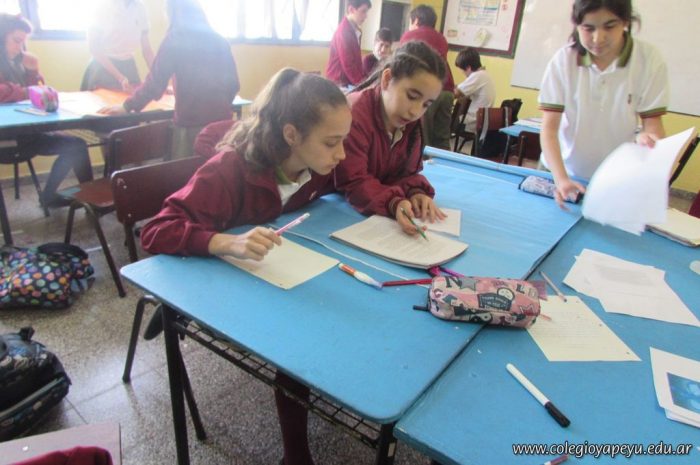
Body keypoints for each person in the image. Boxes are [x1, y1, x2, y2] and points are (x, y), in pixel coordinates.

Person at [140, 69, 351, 465]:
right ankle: (296, 456)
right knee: (298, 339)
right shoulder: (229, 168)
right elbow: (155, 230)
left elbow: (356, 181)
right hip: (220, 281)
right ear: (292, 135)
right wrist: (226, 242)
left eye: (344, 140)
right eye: (332, 142)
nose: (341, 154)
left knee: (325, 309)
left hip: (274, 278)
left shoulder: (319, 168)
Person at [539, 0, 668, 208]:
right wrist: (561, 179)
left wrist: (648, 139)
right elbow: (549, 130)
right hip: (560, 170)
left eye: (609, 26)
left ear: (625, 22)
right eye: (588, 28)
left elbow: (653, 125)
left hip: (614, 177)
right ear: (577, 26)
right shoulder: (564, 60)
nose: (598, 38)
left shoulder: (648, 60)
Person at [99, 0, 240, 158]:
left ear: (172, 11)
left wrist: (127, 106)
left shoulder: (175, 39)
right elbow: (233, 85)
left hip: (191, 125)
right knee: (219, 170)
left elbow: (154, 83)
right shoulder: (220, 41)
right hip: (223, 125)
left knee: (187, 171)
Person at [335, 41, 447, 236]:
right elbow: (354, 181)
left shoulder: (410, 123)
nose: (415, 112)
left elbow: (404, 173)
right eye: (412, 96)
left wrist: (415, 192)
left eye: (426, 104)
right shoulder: (354, 115)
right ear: (387, 79)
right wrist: (394, 202)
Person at [0, 14, 93, 208]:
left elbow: (38, 95)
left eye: (23, 42)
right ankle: (59, 197)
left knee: (77, 145)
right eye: (16, 41)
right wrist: (26, 91)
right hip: (7, 140)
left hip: (28, 134)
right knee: (74, 145)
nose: (20, 47)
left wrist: (33, 71)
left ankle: (66, 197)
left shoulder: (17, 62)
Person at [399, 4, 455, 150]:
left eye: (410, 22)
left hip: (428, 92)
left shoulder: (409, 36)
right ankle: (444, 162)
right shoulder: (441, 39)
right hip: (447, 90)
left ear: (416, 20)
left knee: (424, 137)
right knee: (442, 138)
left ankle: (422, 163)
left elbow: (401, 67)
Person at [81, 0, 154, 92]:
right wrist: (120, 78)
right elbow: (94, 48)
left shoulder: (140, 8)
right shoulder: (103, 6)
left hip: (129, 66)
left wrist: (159, 78)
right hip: (103, 67)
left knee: (137, 99)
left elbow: (147, 50)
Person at [325, 0, 371, 88]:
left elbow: (355, 61)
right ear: (351, 9)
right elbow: (349, 64)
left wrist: (365, 80)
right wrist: (363, 86)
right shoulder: (343, 31)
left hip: (347, 82)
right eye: (363, 11)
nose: (366, 16)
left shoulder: (355, 30)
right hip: (338, 83)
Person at [454, 47, 496, 134]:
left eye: (463, 70)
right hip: (483, 120)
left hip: (473, 121)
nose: (463, 73)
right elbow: (461, 88)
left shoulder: (477, 75)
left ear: (468, 68)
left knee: (443, 118)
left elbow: (456, 93)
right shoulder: (485, 74)